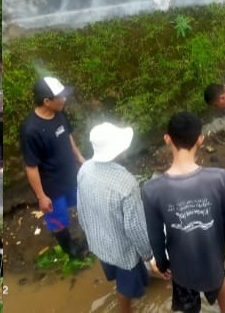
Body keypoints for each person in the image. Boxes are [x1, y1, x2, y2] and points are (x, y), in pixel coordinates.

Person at [142, 112, 225, 313]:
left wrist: (162, 265)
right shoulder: (220, 178)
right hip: (214, 262)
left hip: (181, 269)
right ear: (200, 139)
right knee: (220, 279)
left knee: (188, 306)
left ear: (167, 139)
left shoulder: (151, 189)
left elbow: (155, 236)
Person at [77, 122, 153, 313]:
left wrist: (89, 234)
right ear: (118, 150)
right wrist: (148, 254)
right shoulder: (126, 184)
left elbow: (81, 209)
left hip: (98, 242)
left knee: (120, 277)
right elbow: (135, 228)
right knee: (125, 288)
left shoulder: (84, 169)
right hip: (124, 253)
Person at [20, 76, 88, 257]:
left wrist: (80, 158)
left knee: (83, 203)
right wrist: (41, 196)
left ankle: (90, 234)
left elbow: (68, 136)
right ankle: (70, 249)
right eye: (60, 97)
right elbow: (31, 167)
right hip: (52, 186)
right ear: (47, 101)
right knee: (58, 220)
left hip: (71, 175)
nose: (64, 99)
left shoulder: (60, 114)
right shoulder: (30, 130)